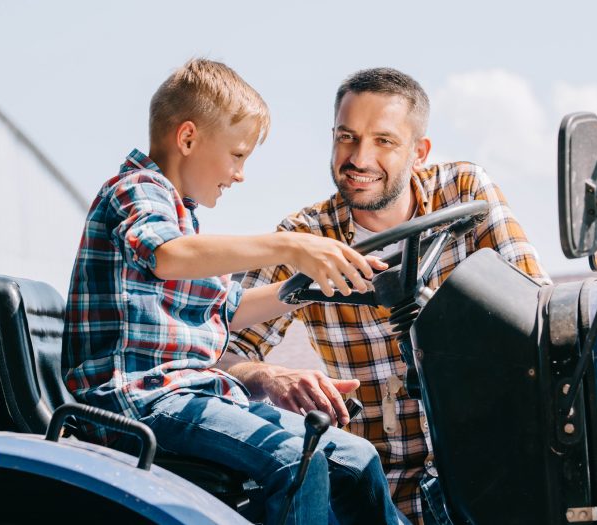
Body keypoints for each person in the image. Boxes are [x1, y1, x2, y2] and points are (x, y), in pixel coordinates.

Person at [62, 58, 406, 525]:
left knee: (357, 458)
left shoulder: (182, 216)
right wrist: (292, 245)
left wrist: (311, 288)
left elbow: (230, 310)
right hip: (140, 400)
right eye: (238, 155)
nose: (240, 174)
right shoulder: (137, 190)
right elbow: (166, 255)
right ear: (188, 139)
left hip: (189, 395)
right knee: (295, 459)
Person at [220, 67, 550, 523]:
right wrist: (268, 376)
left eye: (383, 141)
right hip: (381, 488)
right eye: (347, 137)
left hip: (490, 469)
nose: (359, 158)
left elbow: (538, 315)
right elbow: (216, 345)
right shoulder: (304, 238)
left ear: (419, 153)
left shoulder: (464, 192)